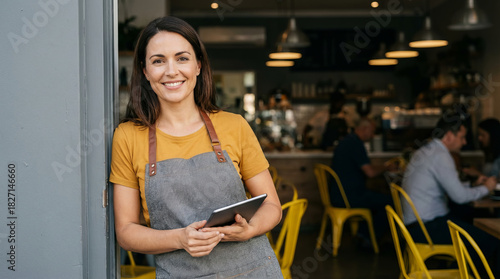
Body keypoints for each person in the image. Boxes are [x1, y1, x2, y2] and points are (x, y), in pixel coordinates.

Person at [109, 16, 282, 278]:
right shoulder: (128, 137)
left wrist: (251, 228)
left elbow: (272, 207)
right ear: (145, 71)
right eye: (158, 61)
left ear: (198, 66)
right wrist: (180, 238)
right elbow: (126, 231)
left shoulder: (234, 126)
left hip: (255, 271)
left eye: (182, 58)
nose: (171, 71)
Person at [402, 113, 499, 275]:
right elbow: (459, 197)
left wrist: (473, 185)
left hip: (417, 223)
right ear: (449, 136)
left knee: (470, 217)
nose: (465, 142)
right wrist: (487, 188)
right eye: (462, 137)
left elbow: (451, 188)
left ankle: (465, 271)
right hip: (426, 227)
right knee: (492, 241)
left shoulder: (427, 150)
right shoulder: (440, 156)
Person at [330, 117, 393, 240]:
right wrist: (386, 167)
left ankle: (364, 234)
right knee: (390, 202)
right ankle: (369, 239)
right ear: (364, 129)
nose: (373, 135)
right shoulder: (356, 144)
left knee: (377, 197)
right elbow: (370, 173)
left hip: (338, 194)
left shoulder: (347, 141)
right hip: (348, 198)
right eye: (372, 131)